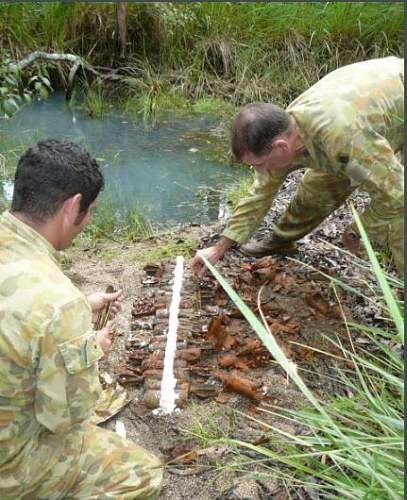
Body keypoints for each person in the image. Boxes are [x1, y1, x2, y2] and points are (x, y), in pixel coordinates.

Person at [0, 140, 163, 499]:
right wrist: (90, 349)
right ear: (73, 206)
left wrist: (75, 313)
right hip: (9, 469)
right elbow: (64, 419)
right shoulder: (59, 302)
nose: (88, 221)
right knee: (143, 473)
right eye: (88, 211)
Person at [191, 56, 404, 276]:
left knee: (400, 224)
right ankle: (281, 242)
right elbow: (260, 193)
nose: (259, 172)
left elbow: (397, 193)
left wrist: (358, 232)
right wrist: (219, 248)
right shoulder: (285, 127)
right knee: (315, 189)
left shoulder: (344, 139)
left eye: (258, 165)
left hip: (396, 98)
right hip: (363, 105)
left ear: (281, 148)